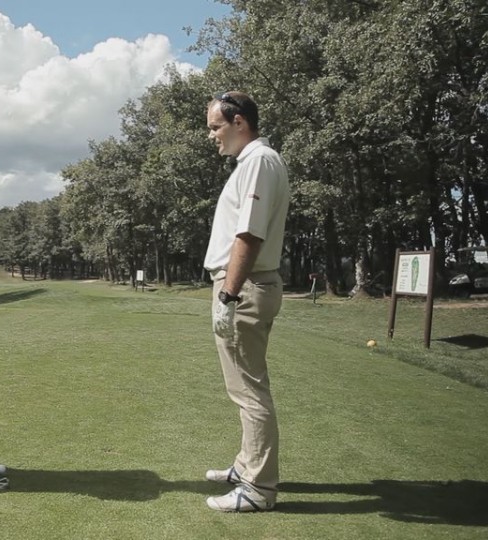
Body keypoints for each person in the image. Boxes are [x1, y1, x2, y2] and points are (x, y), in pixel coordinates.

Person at [202, 92, 290, 512]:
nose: (212, 137)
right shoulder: (255, 162)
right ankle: (246, 466)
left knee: (249, 390)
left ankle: (257, 489)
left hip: (246, 287)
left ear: (240, 123)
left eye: (216, 127)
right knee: (243, 387)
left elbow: (249, 234)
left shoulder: (258, 161)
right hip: (249, 286)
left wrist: (227, 295)